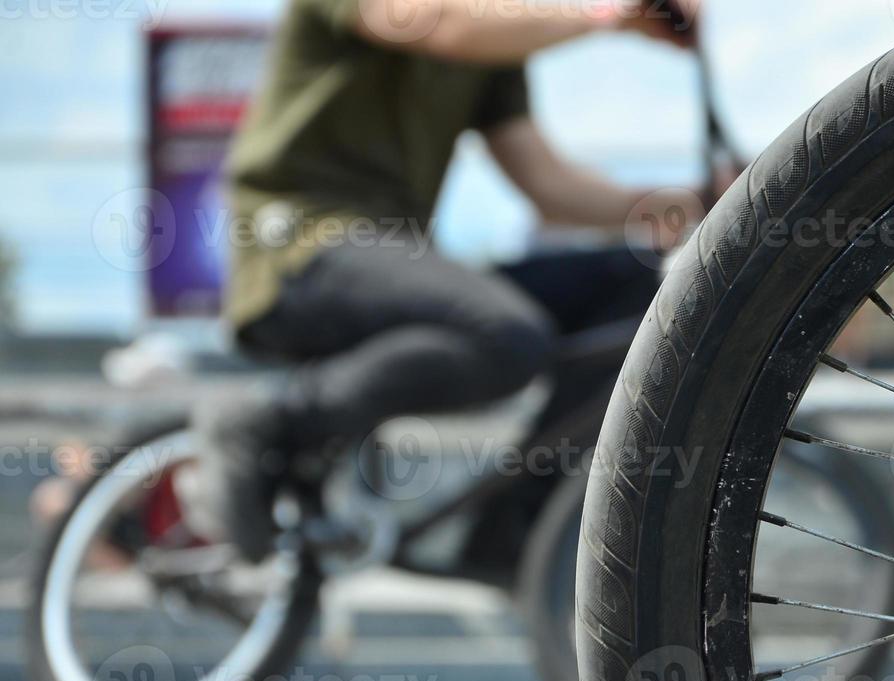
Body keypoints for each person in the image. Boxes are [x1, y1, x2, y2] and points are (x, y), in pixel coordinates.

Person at [201, 0, 703, 562]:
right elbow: (439, 25)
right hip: (300, 245)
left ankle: (514, 534)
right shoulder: (465, 25)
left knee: (636, 287)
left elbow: (543, 183)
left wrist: (687, 204)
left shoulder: (493, 34)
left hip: (403, 258)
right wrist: (612, 12)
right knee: (506, 333)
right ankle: (272, 418)